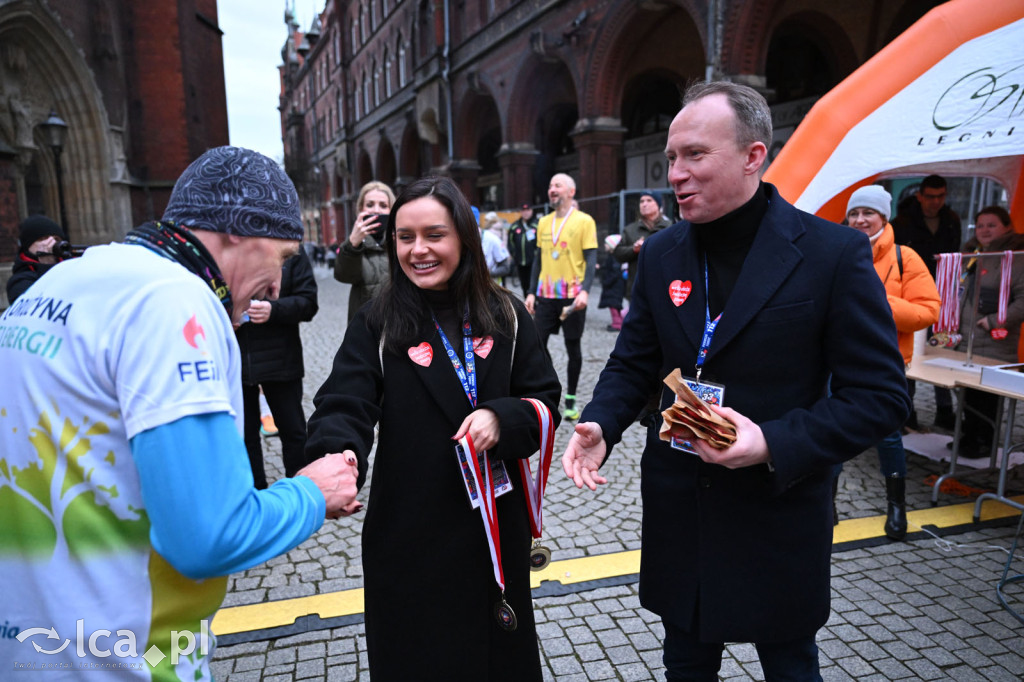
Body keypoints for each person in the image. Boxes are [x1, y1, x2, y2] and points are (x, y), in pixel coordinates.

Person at [560, 82, 909, 680]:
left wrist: (771, 442)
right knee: (686, 665)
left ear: (753, 156)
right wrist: (602, 420)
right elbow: (633, 361)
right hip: (681, 509)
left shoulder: (832, 254)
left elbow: (880, 399)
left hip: (777, 511)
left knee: (791, 665)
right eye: (672, 157)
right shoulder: (663, 253)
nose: (675, 172)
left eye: (695, 154)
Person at [0, 146, 359, 676]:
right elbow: (208, 537)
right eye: (282, 257)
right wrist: (311, 494)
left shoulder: (58, 284)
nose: (279, 284)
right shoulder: (174, 301)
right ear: (240, 228)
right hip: (128, 657)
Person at [305, 176, 561, 681]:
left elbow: (544, 401)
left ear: (463, 238)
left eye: (434, 235)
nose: (418, 250)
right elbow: (344, 399)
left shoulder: (506, 313)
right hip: (409, 531)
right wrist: (338, 453)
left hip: (492, 528)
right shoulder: (378, 319)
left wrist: (501, 417)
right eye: (405, 237)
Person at [841, 185, 939, 539]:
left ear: (883, 216)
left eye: (868, 213)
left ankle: (896, 507)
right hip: (838, 359)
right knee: (831, 427)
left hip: (884, 362)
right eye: (854, 213)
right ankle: (828, 504)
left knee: (888, 435)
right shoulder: (836, 250)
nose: (860, 219)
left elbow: (928, 311)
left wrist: (879, 302)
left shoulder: (905, 258)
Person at [236, 249, 319, 489]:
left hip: (281, 358)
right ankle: (254, 494)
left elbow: (308, 302)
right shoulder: (227, 248)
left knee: (293, 431)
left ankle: (300, 490)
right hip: (238, 360)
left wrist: (274, 310)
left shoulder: (289, 251)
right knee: (245, 435)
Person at [952, 206, 1024, 457]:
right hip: (967, 338)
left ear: (1006, 227)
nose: (984, 230)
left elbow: (1022, 301)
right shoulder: (973, 253)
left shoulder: (1017, 258)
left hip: (994, 340)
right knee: (967, 393)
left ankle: (984, 441)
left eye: (991, 225)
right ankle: (968, 436)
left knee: (987, 396)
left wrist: (994, 321)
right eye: (980, 225)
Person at [525, 173, 598, 420]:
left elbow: (591, 259)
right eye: (549, 185)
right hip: (545, 295)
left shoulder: (585, 221)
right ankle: (547, 392)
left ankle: (571, 398)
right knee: (537, 344)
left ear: (571, 191)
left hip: (572, 296)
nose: (551, 189)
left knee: (572, 347)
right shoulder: (543, 222)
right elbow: (537, 259)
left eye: (557, 185)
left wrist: (586, 290)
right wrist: (531, 292)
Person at [892, 174, 962, 429]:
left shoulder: (951, 221)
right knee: (908, 352)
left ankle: (945, 409)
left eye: (940, 196)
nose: (935, 202)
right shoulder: (902, 222)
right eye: (930, 197)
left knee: (940, 349)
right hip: (909, 296)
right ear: (920, 196)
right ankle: (905, 411)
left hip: (941, 295)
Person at [335, 181, 396, 323]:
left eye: (383, 205)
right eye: (369, 205)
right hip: (365, 325)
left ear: (391, 210)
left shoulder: (401, 240)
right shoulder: (355, 244)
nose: (376, 210)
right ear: (360, 209)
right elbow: (343, 275)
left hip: (398, 323)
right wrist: (353, 245)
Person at [614, 191, 672, 298]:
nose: (644, 204)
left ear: (658, 205)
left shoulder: (669, 228)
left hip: (664, 288)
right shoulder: (630, 229)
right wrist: (634, 249)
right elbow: (617, 253)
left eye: (649, 200)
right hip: (638, 290)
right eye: (641, 201)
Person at [6, 214, 68, 304]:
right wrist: (47, 265)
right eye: (43, 238)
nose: (53, 243)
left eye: (56, 239)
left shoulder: (71, 265)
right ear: (28, 246)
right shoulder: (19, 281)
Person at [507, 203, 538, 297]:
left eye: (528, 210)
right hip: (520, 262)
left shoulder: (537, 224)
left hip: (534, 263)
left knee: (534, 284)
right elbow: (510, 243)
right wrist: (515, 255)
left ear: (531, 211)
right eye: (523, 210)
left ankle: (535, 303)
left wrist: (537, 255)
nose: (525, 212)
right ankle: (528, 305)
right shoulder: (515, 226)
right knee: (524, 285)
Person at [598, 233, 626, 332]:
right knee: (615, 305)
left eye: (606, 244)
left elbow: (614, 272)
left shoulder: (615, 258)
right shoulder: (612, 257)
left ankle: (617, 323)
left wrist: (607, 282)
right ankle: (618, 322)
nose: (604, 245)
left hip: (614, 287)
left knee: (614, 306)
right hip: (614, 286)